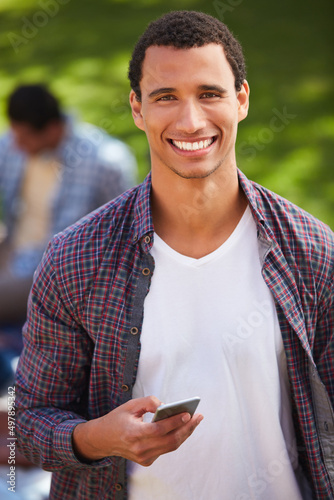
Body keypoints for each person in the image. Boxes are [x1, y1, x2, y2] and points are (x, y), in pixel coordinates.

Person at [15, 11, 333, 500]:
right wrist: (99, 438)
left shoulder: (310, 250)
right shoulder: (76, 258)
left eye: (209, 93)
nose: (190, 121)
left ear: (241, 100)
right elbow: (30, 423)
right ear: (137, 109)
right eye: (166, 97)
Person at [0, 84, 137, 389]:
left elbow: (127, 234)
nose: (17, 145)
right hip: (12, 252)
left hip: (52, 271)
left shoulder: (105, 161)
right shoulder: (12, 147)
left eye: (24, 138)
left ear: (51, 129)